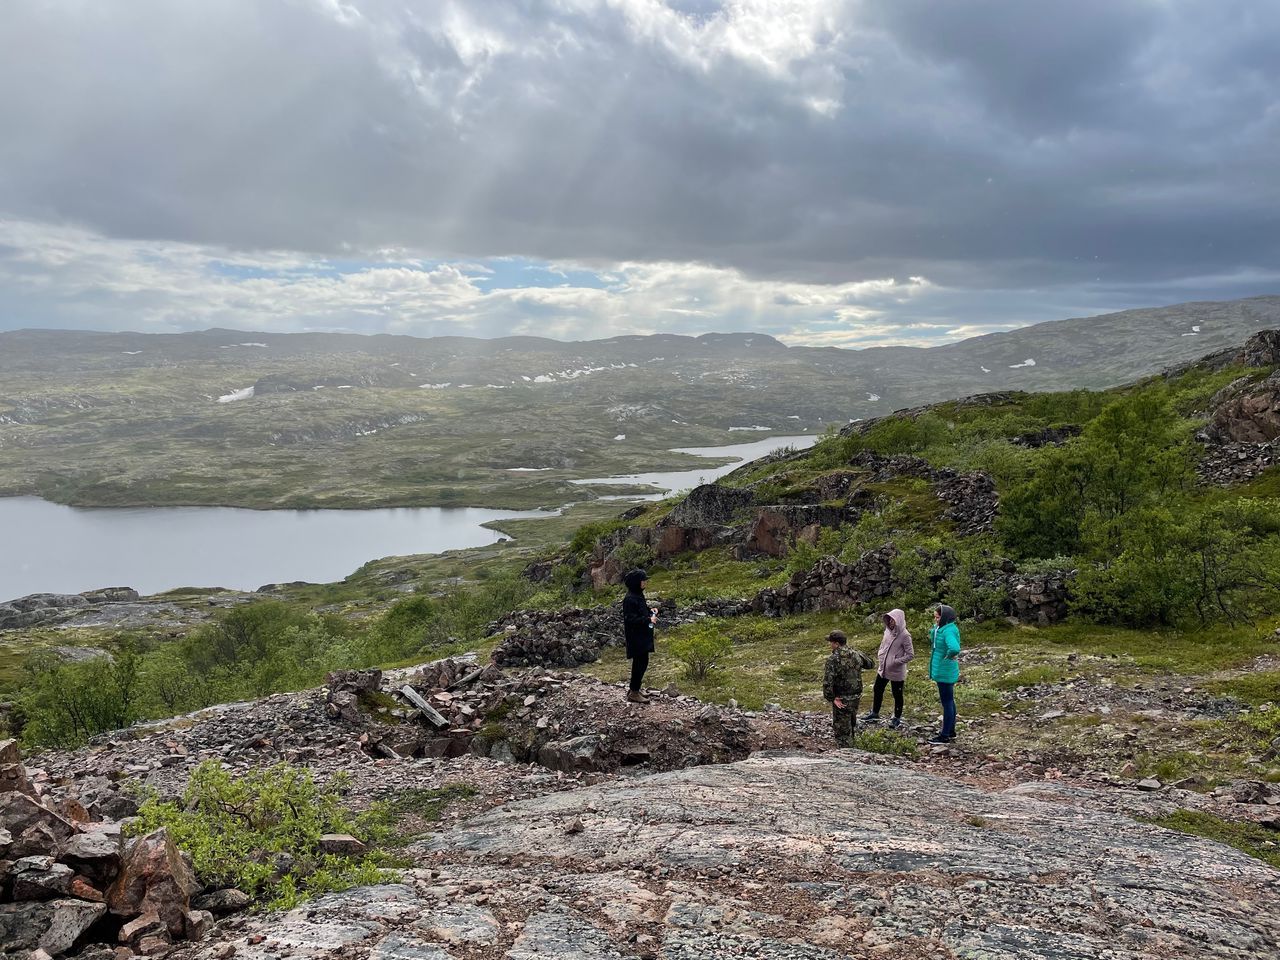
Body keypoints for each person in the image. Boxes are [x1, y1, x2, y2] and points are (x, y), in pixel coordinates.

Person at [861, 608, 913, 729]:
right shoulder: (887, 631)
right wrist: (881, 653)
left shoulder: (905, 635)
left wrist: (895, 662)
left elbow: (910, 655)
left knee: (897, 694)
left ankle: (897, 717)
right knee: (877, 689)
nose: (890, 622)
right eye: (889, 620)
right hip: (883, 668)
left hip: (896, 671)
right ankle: (875, 713)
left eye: (893, 620)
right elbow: (883, 644)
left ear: (899, 620)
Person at [823, 630, 874, 748]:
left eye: (831, 642)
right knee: (851, 724)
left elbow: (827, 681)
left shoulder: (833, 659)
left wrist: (832, 698)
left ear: (836, 643)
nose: (830, 645)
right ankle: (853, 748)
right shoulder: (856, 654)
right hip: (855, 696)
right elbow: (870, 664)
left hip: (841, 698)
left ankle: (846, 754)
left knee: (841, 730)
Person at [621, 568, 657, 704]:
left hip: (642, 636)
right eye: (643, 580)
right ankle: (634, 692)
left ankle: (634, 689)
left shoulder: (637, 595)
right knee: (640, 663)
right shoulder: (630, 599)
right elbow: (630, 619)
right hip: (636, 638)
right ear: (637, 582)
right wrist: (648, 620)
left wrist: (650, 612)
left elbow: (641, 611)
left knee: (642, 662)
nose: (645, 582)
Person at [927, 604, 962, 744]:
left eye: (938, 617)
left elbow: (954, 648)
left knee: (947, 702)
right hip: (943, 670)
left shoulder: (948, 630)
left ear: (945, 617)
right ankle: (951, 730)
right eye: (935, 617)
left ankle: (945, 734)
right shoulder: (943, 628)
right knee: (949, 700)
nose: (936, 619)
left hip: (945, 671)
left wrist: (948, 656)